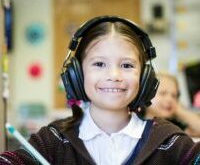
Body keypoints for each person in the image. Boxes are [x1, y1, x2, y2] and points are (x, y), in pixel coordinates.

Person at [0, 16, 200, 165]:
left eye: (127, 66)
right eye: (99, 64)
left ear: (145, 77)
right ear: (76, 75)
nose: (114, 75)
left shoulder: (170, 142)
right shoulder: (54, 140)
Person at [145, 72, 200, 137]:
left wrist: (179, 110)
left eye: (174, 96)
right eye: (163, 93)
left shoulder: (175, 126)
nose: (169, 99)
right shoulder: (137, 123)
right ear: (146, 95)